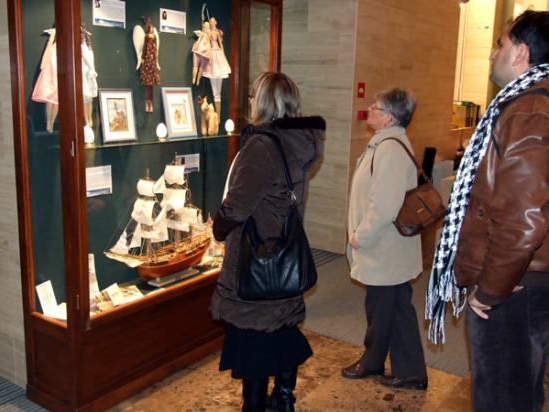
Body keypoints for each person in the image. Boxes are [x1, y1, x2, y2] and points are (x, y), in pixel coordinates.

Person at [426, 9, 549, 412]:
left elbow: (523, 220)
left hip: (515, 290)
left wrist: (492, 289)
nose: (493, 53)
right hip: (526, 284)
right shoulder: (532, 104)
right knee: (521, 395)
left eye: (501, 44)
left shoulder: (529, 110)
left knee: (501, 399)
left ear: (521, 53)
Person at [209, 72, 325, 412]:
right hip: (285, 258)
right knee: (281, 331)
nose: (249, 102)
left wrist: (217, 229)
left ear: (264, 102)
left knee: (255, 344)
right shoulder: (297, 142)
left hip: (257, 261)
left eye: (253, 96)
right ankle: (284, 397)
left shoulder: (262, 146)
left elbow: (237, 205)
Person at [342, 87, 428, 390]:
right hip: (388, 247)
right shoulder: (385, 143)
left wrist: (361, 236)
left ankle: (382, 364)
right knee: (392, 308)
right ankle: (395, 366)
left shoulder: (389, 149)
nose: (370, 109)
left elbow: (385, 205)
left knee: (385, 307)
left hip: (383, 246)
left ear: (389, 117)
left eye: (376, 107)